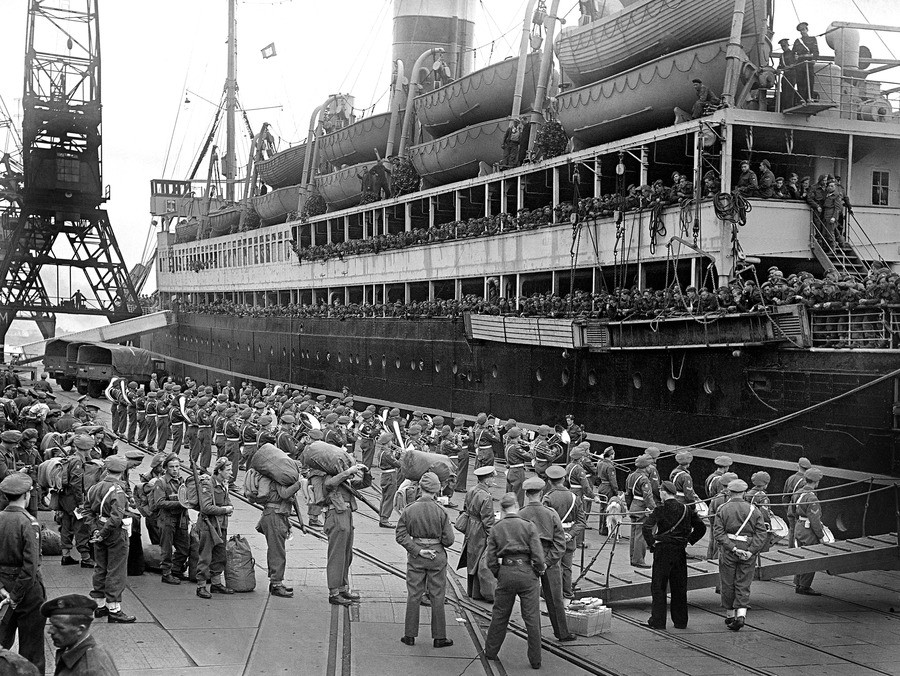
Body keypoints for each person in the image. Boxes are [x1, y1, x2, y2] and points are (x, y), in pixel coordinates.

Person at [483, 492, 546, 669]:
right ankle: (535, 659)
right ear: (517, 506)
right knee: (532, 618)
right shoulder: (528, 526)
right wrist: (538, 570)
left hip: (506, 571)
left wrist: (499, 573)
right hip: (527, 573)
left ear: (502, 509)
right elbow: (538, 555)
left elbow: (490, 559)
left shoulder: (496, 528)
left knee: (500, 614)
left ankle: (490, 651)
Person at [395, 472, 455, 648]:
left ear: (420, 488)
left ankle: (409, 635)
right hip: (437, 555)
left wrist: (418, 550)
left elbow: (400, 535)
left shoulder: (410, 509)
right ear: (437, 490)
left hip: (417, 556)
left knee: (414, 594)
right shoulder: (441, 510)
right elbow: (449, 540)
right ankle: (439, 637)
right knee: (437, 595)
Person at [642, 481, 706, 630]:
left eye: (660, 491)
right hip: (679, 550)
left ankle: (658, 621)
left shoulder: (660, 509)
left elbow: (646, 527)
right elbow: (701, 527)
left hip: (663, 549)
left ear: (664, 492)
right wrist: (689, 540)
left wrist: (652, 543)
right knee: (679, 586)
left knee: (659, 586)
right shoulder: (686, 509)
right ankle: (680, 621)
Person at [519, 476, 575, 642]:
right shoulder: (551, 513)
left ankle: (534, 635)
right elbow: (560, 543)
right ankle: (562, 633)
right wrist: (547, 562)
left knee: (530, 601)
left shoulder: (520, 514)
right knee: (555, 599)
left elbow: (518, 541)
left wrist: (532, 560)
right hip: (550, 560)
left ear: (527, 494)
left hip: (528, 560)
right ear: (542, 493)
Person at [0, 473, 46, 673]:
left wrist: (2, 588)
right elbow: (30, 566)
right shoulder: (29, 522)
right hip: (27, 592)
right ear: (27, 495)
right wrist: (15, 596)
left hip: (2, 587)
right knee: (32, 649)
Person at [83, 456, 135, 623]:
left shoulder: (94, 488)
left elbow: (87, 511)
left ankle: (99, 606)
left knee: (100, 567)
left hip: (98, 528)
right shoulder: (117, 491)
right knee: (116, 570)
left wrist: (95, 531)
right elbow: (116, 518)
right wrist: (103, 533)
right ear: (122, 471)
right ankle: (114, 609)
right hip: (114, 533)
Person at [309, 459, 366, 605]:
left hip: (346, 514)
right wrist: (348, 472)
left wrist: (366, 472)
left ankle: (342, 588)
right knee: (337, 555)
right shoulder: (328, 476)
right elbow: (329, 484)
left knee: (346, 555)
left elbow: (364, 484)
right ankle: (334, 592)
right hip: (336, 515)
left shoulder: (343, 479)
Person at [714, 479, 769, 630]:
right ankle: (741, 615)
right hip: (748, 549)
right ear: (744, 493)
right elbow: (761, 533)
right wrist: (751, 551)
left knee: (727, 582)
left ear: (729, 492)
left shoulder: (722, 509)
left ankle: (730, 615)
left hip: (729, 550)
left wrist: (733, 548)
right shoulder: (753, 509)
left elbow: (718, 533)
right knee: (744, 582)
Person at [256, 466, 304, 598]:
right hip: (275, 515)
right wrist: (298, 484)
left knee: (275, 549)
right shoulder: (278, 478)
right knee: (277, 551)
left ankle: (275, 581)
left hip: (276, 515)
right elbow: (284, 494)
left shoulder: (278, 477)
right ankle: (276, 584)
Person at [42, 594, 119, 675]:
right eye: (52, 625)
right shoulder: (74, 652)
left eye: (59, 627)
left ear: (80, 629)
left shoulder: (92, 670)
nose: (50, 631)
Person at [195, 457, 235, 599]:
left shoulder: (223, 484)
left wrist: (229, 508)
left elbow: (228, 502)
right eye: (228, 470)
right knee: (205, 557)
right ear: (219, 471)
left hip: (221, 526)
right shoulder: (208, 484)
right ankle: (201, 586)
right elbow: (206, 508)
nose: (231, 473)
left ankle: (216, 584)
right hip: (208, 526)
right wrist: (225, 510)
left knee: (220, 555)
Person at [542, 465, 584, 598]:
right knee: (567, 567)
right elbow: (581, 522)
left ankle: (553, 595)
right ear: (564, 479)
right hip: (569, 536)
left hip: (553, 536)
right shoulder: (574, 497)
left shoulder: (548, 498)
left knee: (552, 567)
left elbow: (544, 521)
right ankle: (567, 593)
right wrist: (570, 534)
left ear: (549, 481)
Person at [458, 465, 496, 601]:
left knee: (472, 557)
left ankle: (471, 591)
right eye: (492, 478)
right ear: (486, 480)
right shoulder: (486, 496)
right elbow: (488, 520)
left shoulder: (471, 490)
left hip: (471, 526)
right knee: (481, 560)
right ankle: (479, 592)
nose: (493, 480)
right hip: (480, 530)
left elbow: (465, 508)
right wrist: (492, 537)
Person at [150, 454, 189, 585]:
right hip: (167, 519)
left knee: (184, 548)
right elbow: (159, 502)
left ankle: (176, 569)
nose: (175, 469)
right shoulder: (161, 482)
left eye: (177, 466)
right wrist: (180, 503)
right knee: (166, 548)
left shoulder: (182, 481)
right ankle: (166, 573)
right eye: (171, 467)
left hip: (181, 518)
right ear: (166, 468)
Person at [58, 434, 95, 568]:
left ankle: (66, 555)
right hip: (74, 499)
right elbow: (76, 483)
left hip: (65, 498)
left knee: (66, 526)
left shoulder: (71, 458)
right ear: (87, 448)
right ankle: (85, 558)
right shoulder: (78, 461)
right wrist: (81, 502)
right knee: (81, 527)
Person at [793, 468, 825, 595]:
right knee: (811, 556)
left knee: (800, 555)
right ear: (816, 482)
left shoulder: (798, 492)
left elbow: (792, 511)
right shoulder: (812, 498)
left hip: (799, 527)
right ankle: (804, 586)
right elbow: (815, 520)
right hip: (808, 531)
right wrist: (821, 536)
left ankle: (798, 583)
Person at [625, 455, 656, 568]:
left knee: (633, 534)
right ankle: (638, 560)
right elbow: (647, 496)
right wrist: (654, 509)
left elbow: (627, 494)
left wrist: (629, 507)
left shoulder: (631, 476)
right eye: (649, 465)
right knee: (641, 535)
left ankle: (633, 557)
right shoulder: (644, 479)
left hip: (634, 505)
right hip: (642, 507)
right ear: (646, 467)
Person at [783, 457, 811, 547]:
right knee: (800, 532)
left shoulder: (790, 478)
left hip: (790, 508)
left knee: (792, 530)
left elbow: (785, 497)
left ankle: (790, 549)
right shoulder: (806, 481)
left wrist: (788, 509)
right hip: (799, 511)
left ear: (798, 466)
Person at [377, 431, 401, 528]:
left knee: (384, 497)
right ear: (387, 442)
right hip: (390, 476)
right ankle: (385, 519)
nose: (392, 442)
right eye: (391, 441)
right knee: (389, 498)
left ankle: (382, 516)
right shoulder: (387, 453)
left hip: (385, 476)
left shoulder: (382, 452)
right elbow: (398, 464)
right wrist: (402, 456)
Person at [504, 427, 532, 507]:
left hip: (511, 471)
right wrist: (532, 448)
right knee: (518, 495)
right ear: (518, 436)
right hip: (517, 472)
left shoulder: (508, 445)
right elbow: (529, 457)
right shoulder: (515, 447)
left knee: (510, 495)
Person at [792, 22, 819, 102]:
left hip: (809, 62)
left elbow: (816, 51)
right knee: (800, 81)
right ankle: (802, 98)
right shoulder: (797, 41)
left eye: (803, 29)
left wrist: (814, 59)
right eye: (801, 30)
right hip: (800, 63)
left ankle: (809, 98)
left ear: (807, 29)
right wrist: (795, 57)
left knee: (810, 80)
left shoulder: (812, 39)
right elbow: (793, 52)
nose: (802, 31)